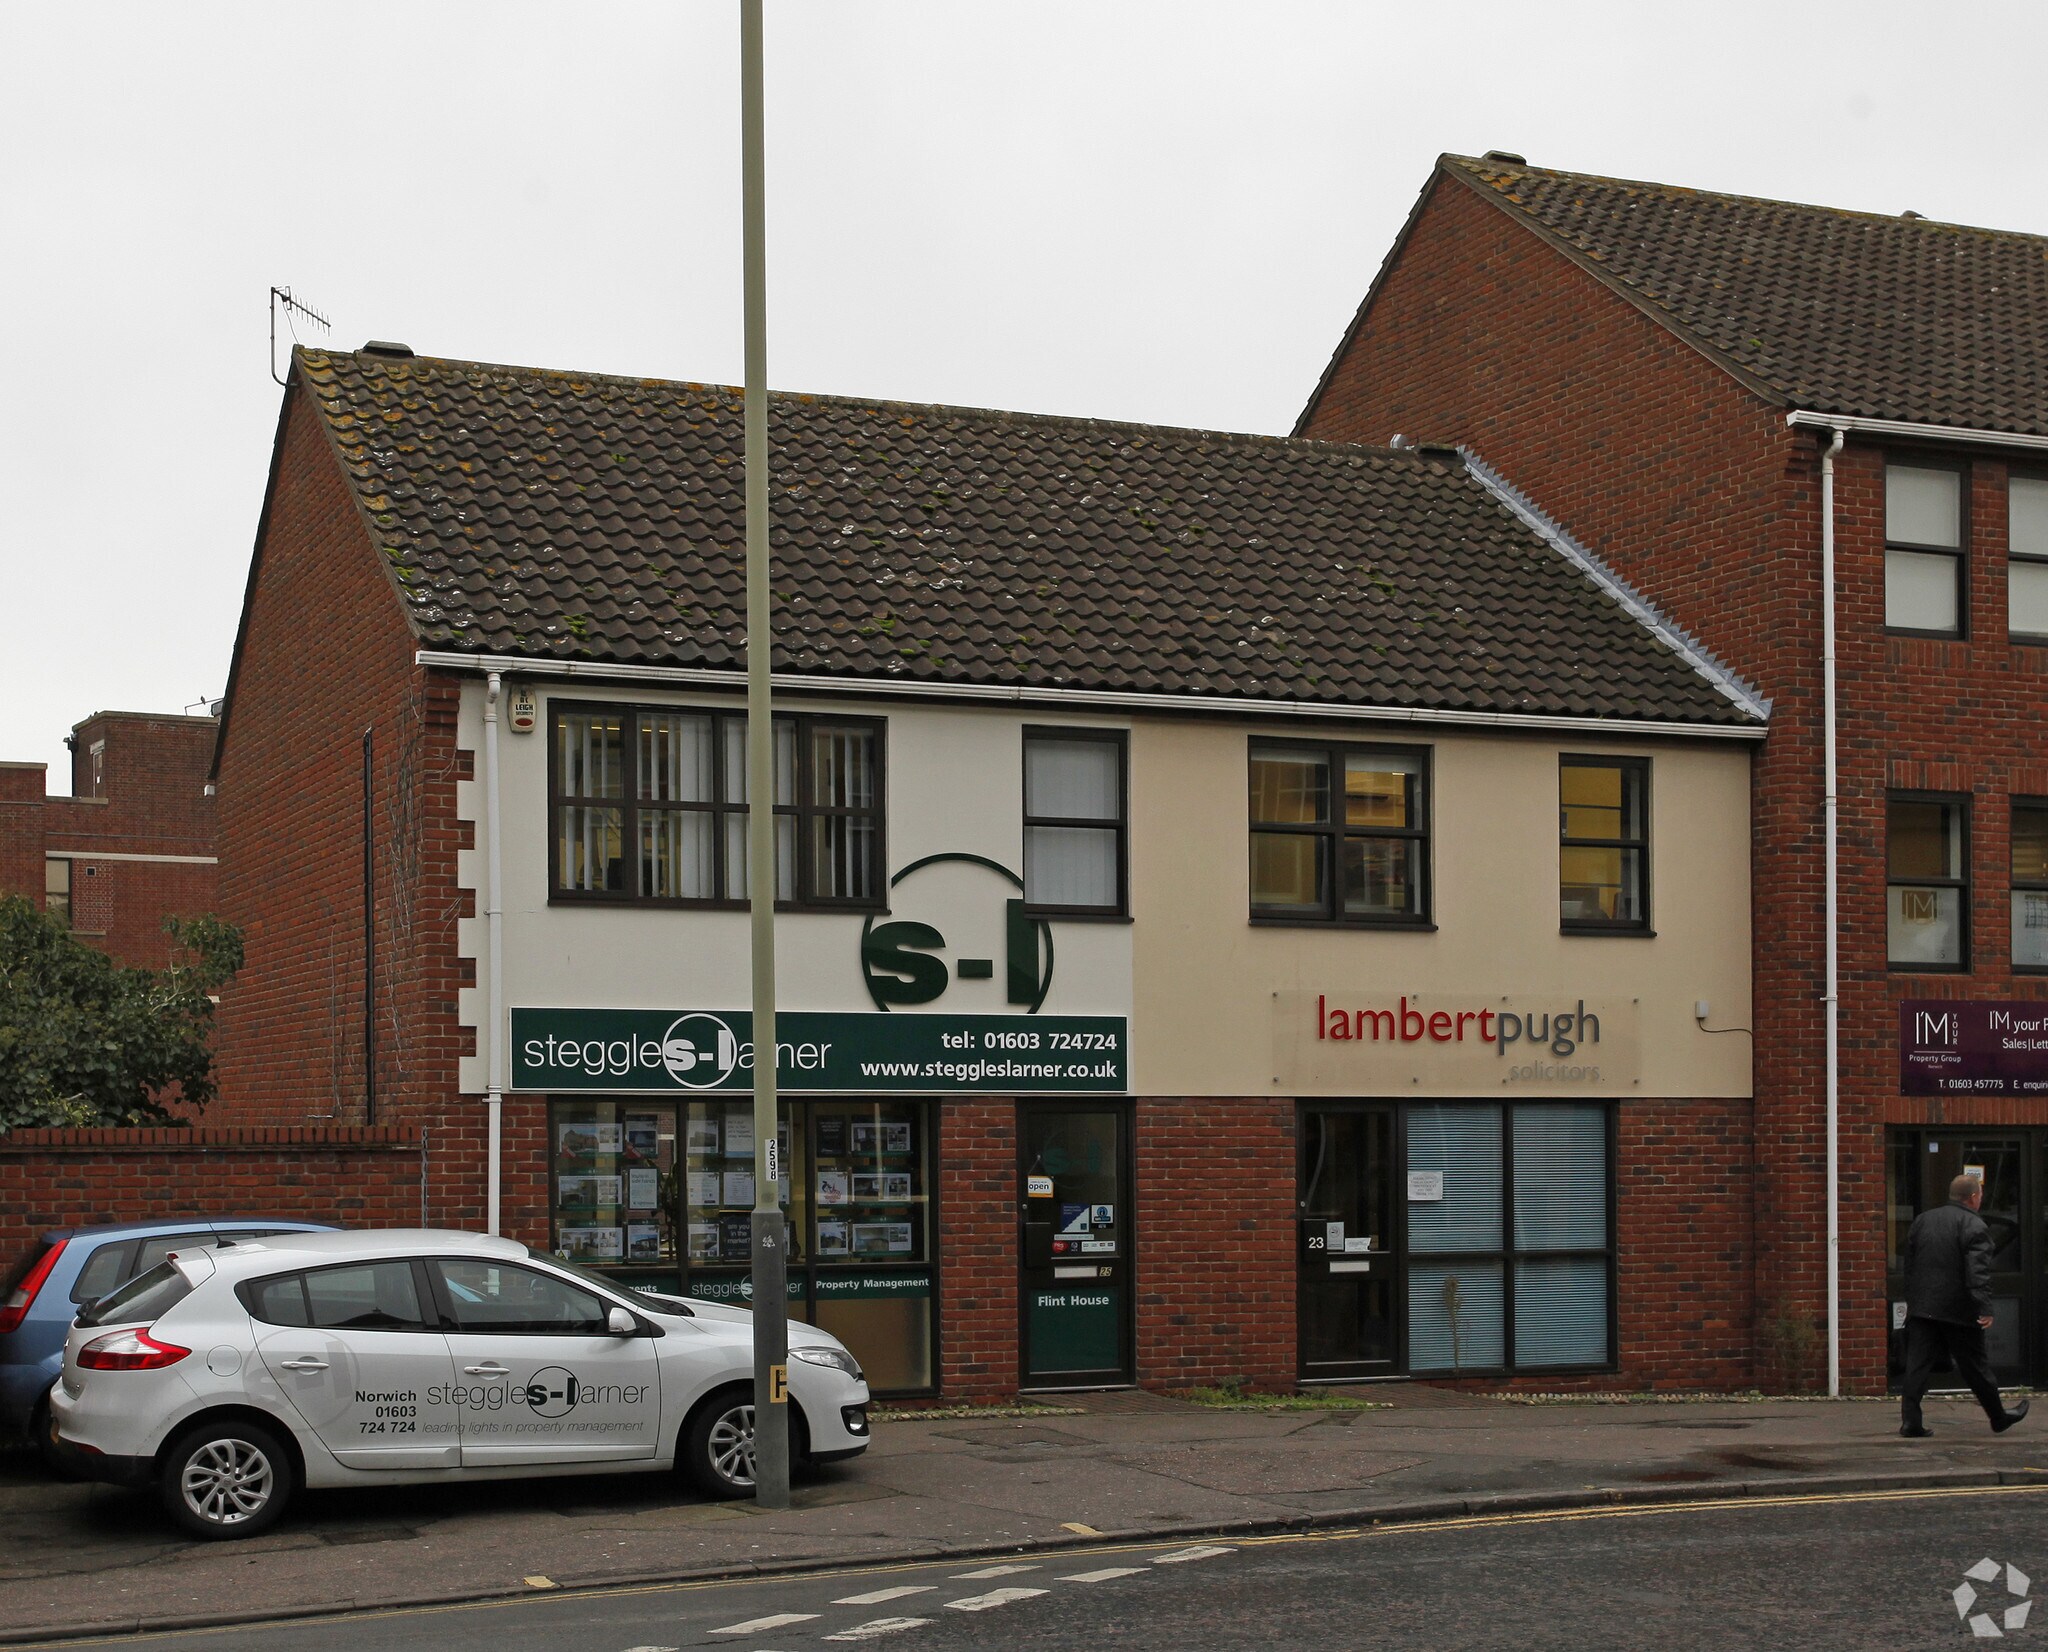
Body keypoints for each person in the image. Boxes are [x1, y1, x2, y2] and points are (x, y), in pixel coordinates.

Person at [1899, 1174, 2029, 1438]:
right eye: (1980, 1194)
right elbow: (1977, 1273)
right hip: (1958, 1310)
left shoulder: (1924, 1220)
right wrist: (1984, 1307)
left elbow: (1909, 1265)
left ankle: (1911, 1422)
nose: (1980, 1199)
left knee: (1917, 1366)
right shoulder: (1974, 1225)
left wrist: (1913, 1301)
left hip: (1923, 1308)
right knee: (1975, 1366)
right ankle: (1999, 1417)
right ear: (1972, 1197)